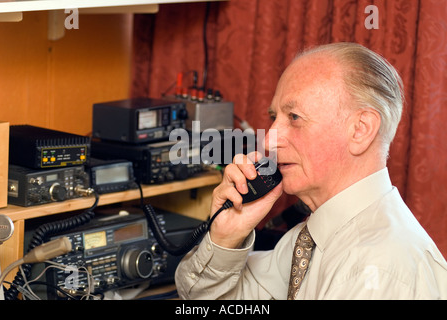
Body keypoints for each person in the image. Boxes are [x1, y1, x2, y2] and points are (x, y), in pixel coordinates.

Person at [174, 42, 447, 299]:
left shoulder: (376, 271)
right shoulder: (311, 238)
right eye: (274, 118)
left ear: (360, 130)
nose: (268, 140)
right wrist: (225, 238)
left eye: (294, 118)